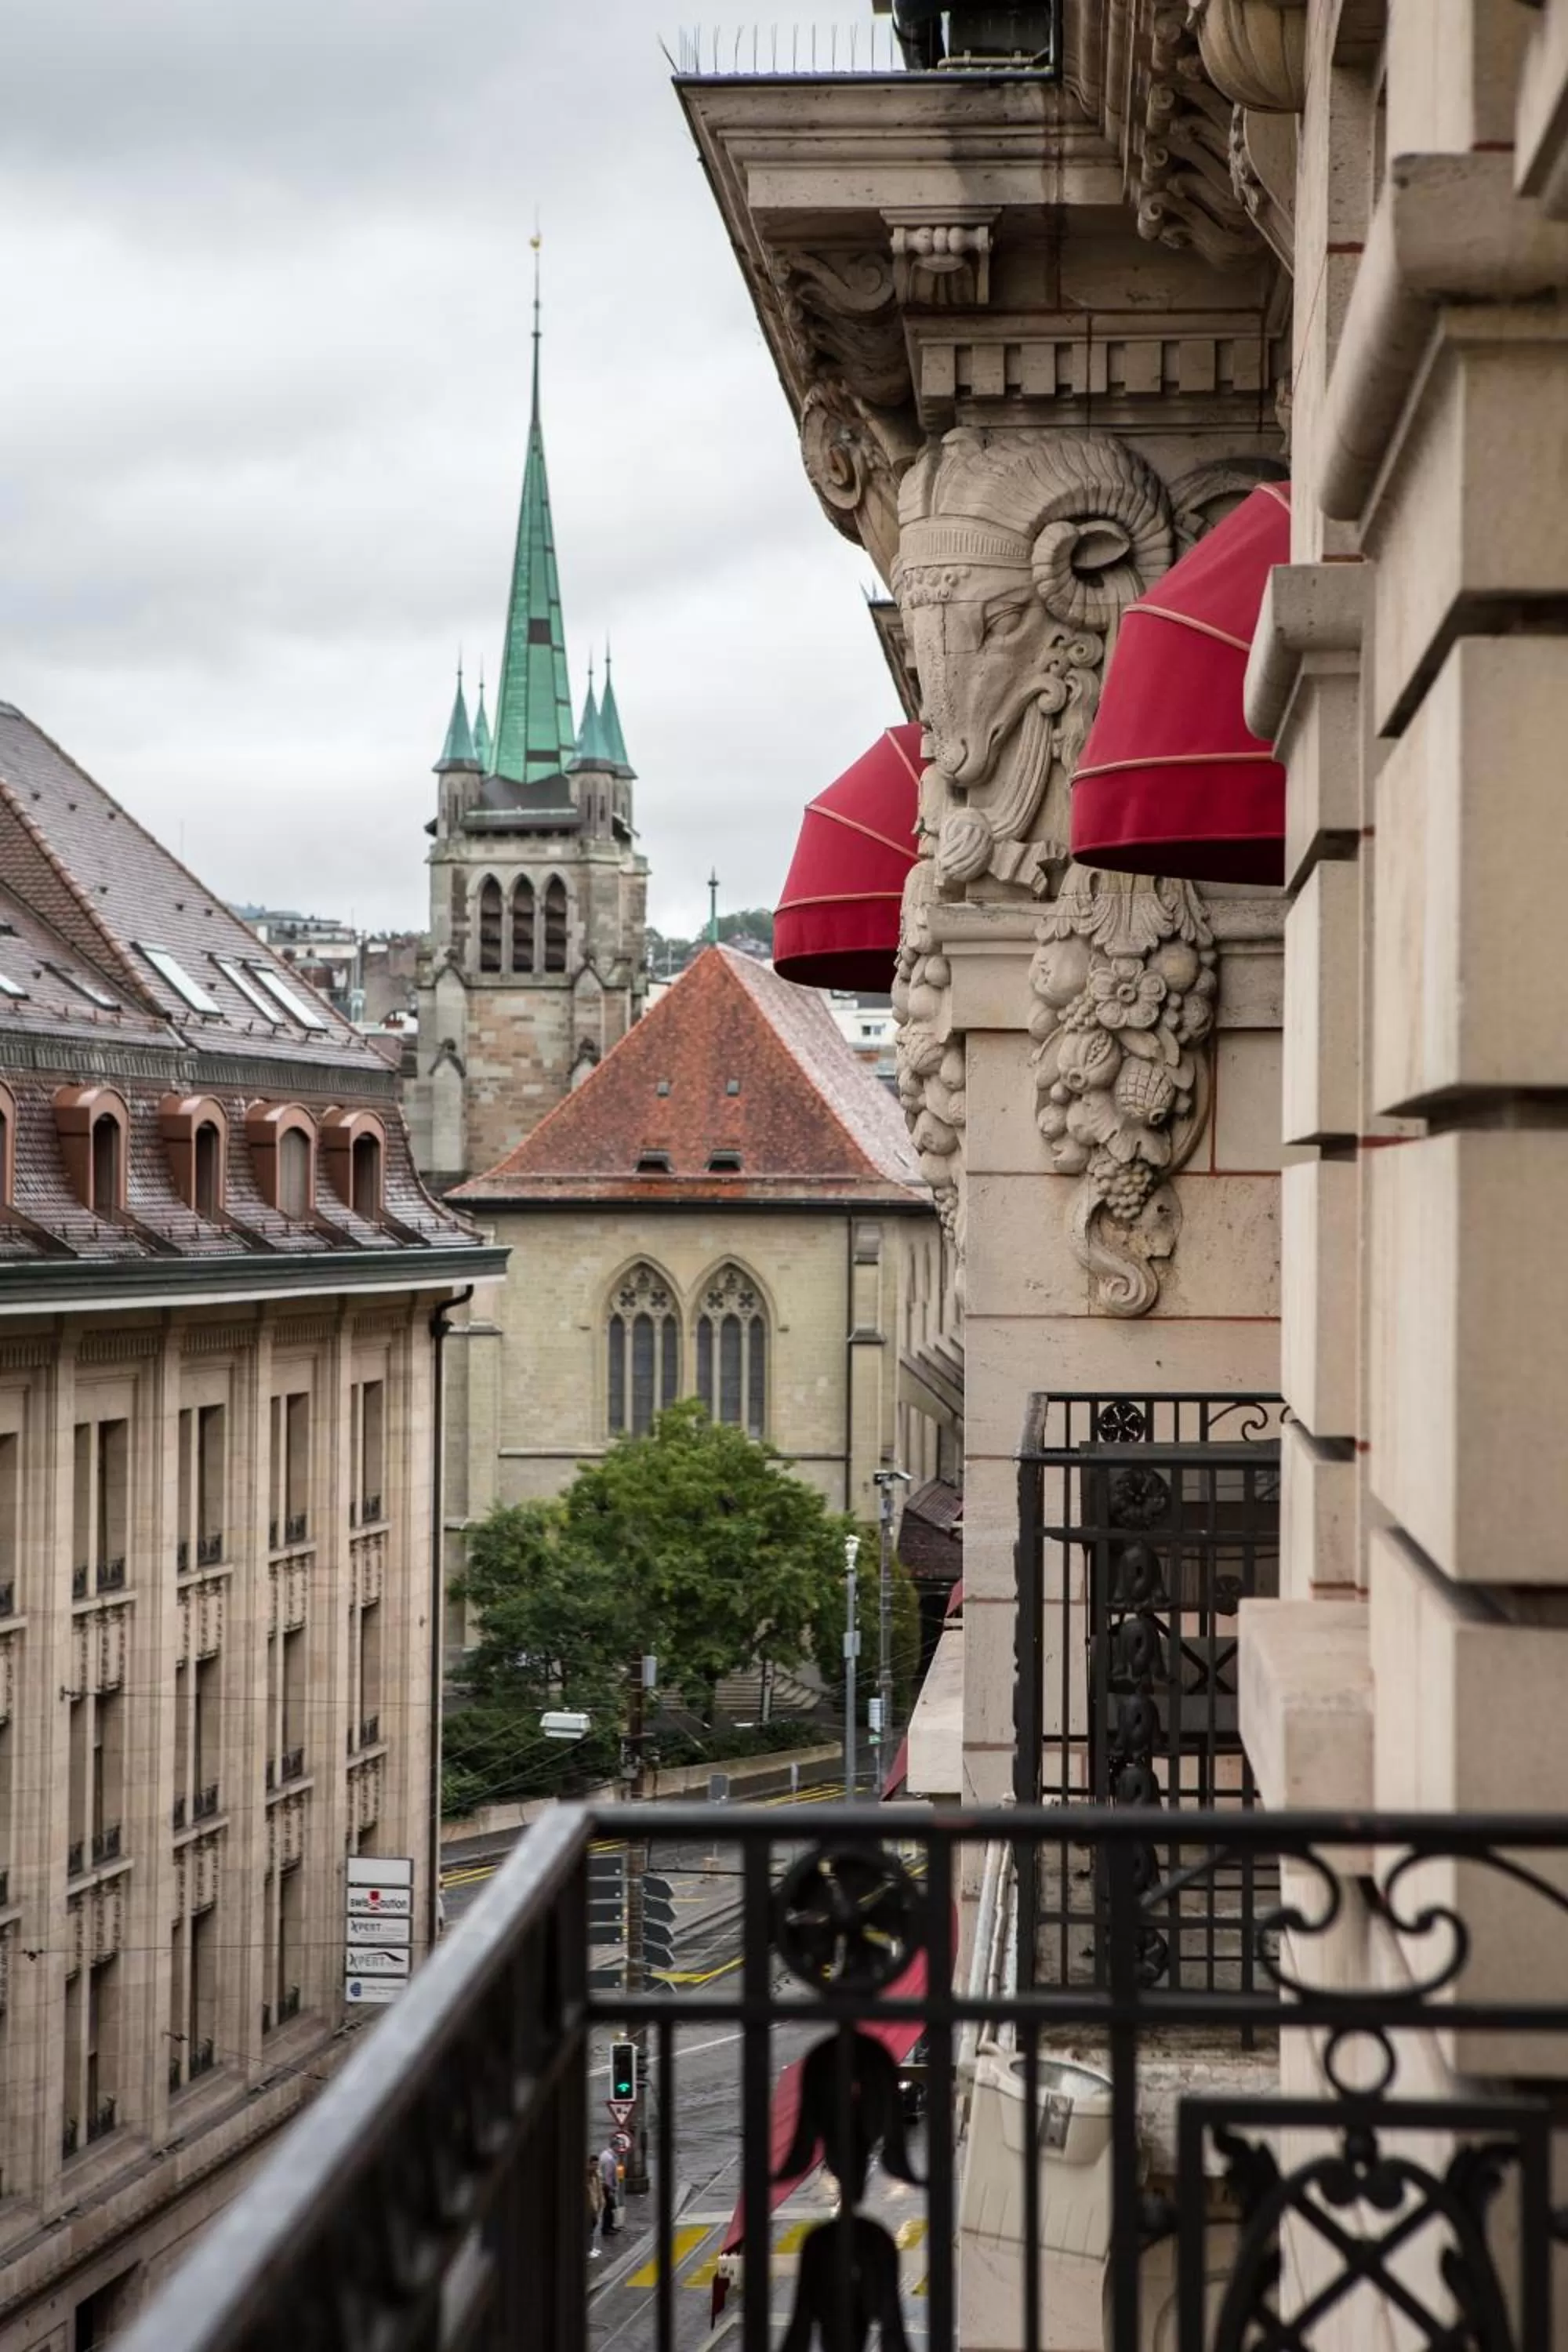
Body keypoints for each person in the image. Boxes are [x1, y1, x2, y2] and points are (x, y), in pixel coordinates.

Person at [597, 2144, 620, 2242]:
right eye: (618, 2147)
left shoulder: (604, 2154)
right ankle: (607, 2228)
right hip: (607, 2187)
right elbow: (609, 2176)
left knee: (609, 2207)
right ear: (614, 2147)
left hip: (603, 2185)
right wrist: (611, 2189)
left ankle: (609, 2227)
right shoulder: (610, 2159)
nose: (619, 2149)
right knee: (609, 2208)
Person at [586, 2159, 604, 2260]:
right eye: (593, 2165)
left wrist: (601, 2202)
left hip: (595, 2206)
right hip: (590, 2208)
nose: (595, 2167)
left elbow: (598, 2190)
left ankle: (591, 2248)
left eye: (597, 2165)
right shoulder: (588, 2177)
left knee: (593, 2228)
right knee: (589, 2230)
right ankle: (588, 2250)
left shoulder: (596, 2175)